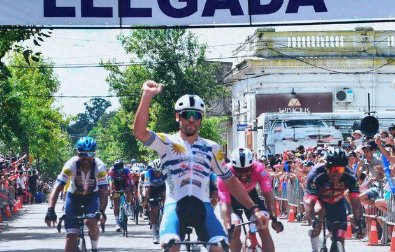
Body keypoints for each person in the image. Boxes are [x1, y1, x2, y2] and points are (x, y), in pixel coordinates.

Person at [133, 80, 268, 252]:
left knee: (219, 248)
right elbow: (139, 132)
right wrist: (147, 96)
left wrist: (254, 208)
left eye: (196, 115)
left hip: (203, 208)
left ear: (201, 119)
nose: (191, 119)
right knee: (172, 246)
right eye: (186, 114)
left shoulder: (212, 147)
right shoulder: (166, 142)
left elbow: (230, 180)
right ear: (177, 117)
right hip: (174, 208)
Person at [44, 136, 108, 252]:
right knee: (71, 236)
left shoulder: (99, 166)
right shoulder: (71, 164)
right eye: (82, 154)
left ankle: (94, 248)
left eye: (89, 154)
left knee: (92, 222)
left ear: (94, 154)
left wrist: (102, 210)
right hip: (73, 197)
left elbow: (103, 190)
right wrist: (50, 209)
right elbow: (58, 186)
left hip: (92, 197)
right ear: (77, 153)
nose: (86, 158)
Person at [218, 148, 283, 252]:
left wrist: (274, 218)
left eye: (247, 169)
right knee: (235, 229)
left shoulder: (258, 168)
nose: (243, 174)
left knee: (263, 227)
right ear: (233, 167)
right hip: (231, 200)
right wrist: (228, 225)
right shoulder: (225, 172)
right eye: (239, 170)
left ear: (252, 166)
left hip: (252, 197)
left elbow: (268, 194)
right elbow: (225, 202)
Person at [304, 148, 364, 252]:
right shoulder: (316, 174)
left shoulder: (350, 176)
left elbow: (356, 201)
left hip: (336, 201)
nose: (337, 174)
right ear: (327, 167)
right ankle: (315, 247)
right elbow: (310, 203)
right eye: (333, 170)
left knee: (340, 239)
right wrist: (313, 221)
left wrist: (358, 222)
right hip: (318, 199)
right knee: (317, 216)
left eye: (340, 170)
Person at [143, 159, 167, 244]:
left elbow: (168, 188)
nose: (158, 174)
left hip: (162, 187)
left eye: (159, 172)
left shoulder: (166, 172)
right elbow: (147, 189)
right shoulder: (148, 173)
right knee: (154, 212)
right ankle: (154, 234)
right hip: (152, 190)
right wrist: (146, 201)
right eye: (156, 172)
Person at [107, 160, 134, 232]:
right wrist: (111, 191)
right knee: (116, 203)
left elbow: (131, 181)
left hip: (125, 183)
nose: (119, 170)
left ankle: (128, 205)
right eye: (117, 169)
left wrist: (132, 189)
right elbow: (111, 182)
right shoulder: (111, 171)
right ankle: (117, 223)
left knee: (129, 191)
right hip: (116, 185)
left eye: (120, 169)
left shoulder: (127, 170)